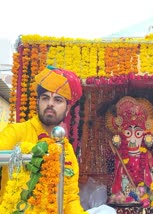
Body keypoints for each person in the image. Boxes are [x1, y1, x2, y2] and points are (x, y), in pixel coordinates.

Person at [0, 66, 115, 213]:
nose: (50, 103)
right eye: (45, 98)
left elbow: (70, 198)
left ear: (67, 109)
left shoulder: (66, 150)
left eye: (58, 100)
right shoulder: (16, 132)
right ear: (38, 103)